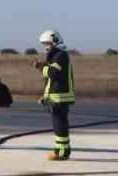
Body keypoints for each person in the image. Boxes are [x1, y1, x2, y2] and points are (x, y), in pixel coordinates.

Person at [33, 30, 75, 161]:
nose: (45, 47)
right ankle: (61, 150)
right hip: (57, 96)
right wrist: (45, 97)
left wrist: (40, 67)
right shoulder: (57, 55)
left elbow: (53, 73)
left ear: (55, 41)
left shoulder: (60, 55)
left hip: (60, 97)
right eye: (44, 44)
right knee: (58, 125)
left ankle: (62, 153)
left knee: (59, 125)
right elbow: (51, 80)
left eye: (47, 43)